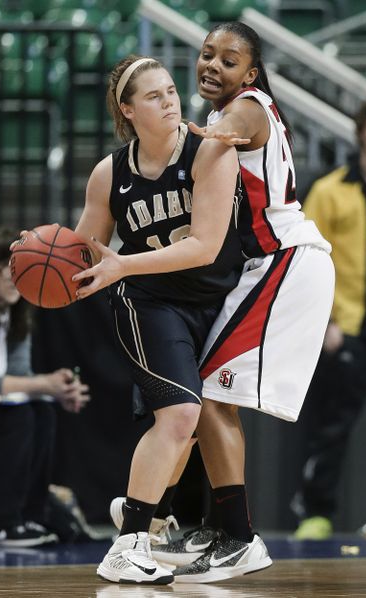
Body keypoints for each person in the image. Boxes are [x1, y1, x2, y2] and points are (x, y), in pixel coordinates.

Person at [108, 21, 336, 583]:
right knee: (199, 397)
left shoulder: (248, 108)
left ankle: (231, 535)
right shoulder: (216, 120)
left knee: (205, 395)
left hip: (285, 259)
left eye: (228, 61)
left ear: (251, 74)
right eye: (207, 54)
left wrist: (192, 132)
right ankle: (179, 515)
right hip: (261, 268)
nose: (212, 65)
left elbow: (235, 127)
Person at [67, 53, 270, 585]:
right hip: (148, 302)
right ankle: (129, 543)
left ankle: (147, 517)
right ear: (128, 110)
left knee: (202, 422)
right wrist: (44, 253)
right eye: (154, 96)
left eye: (172, 91)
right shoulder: (110, 173)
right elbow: (85, 253)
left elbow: (204, 247)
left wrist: (121, 261)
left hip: (214, 301)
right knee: (181, 415)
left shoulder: (210, 153)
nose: (171, 101)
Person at [290, 97, 366, 540]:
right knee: (333, 427)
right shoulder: (331, 189)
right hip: (349, 327)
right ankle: (315, 513)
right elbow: (307, 260)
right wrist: (325, 322)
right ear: (360, 132)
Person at [0, 226, 90, 547]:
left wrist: (54, 391)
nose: (13, 278)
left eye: (16, 269)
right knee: (17, 418)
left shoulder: (15, 315)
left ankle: (28, 516)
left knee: (41, 412)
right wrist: (44, 384)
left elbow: (19, 377)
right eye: (4, 270)